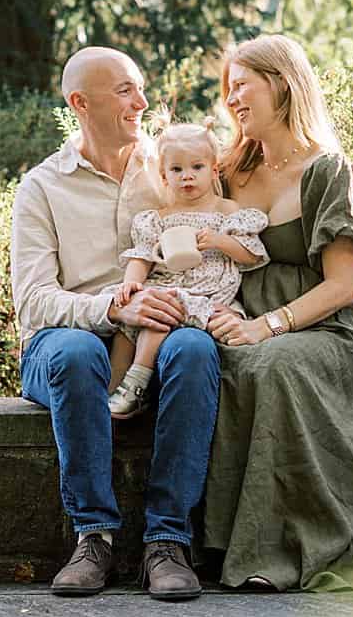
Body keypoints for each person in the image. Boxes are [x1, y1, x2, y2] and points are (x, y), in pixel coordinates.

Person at [203, 33, 353, 590]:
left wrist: (265, 326)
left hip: (332, 331)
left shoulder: (329, 171)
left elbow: (343, 287)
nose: (231, 99)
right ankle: (198, 547)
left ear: (280, 83)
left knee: (271, 365)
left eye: (241, 86)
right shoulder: (229, 170)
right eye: (228, 89)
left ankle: (280, 553)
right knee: (201, 360)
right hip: (240, 319)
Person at [10, 47, 217, 601]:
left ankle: (168, 541)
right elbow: (32, 301)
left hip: (157, 339)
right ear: (81, 103)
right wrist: (110, 308)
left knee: (196, 351)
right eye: (126, 90)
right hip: (62, 348)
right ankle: (93, 537)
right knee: (79, 353)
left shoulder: (170, 170)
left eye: (140, 88)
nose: (142, 103)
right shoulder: (42, 187)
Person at [107, 123, 270, 419]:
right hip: (167, 287)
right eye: (177, 170)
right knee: (127, 331)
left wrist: (220, 241)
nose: (187, 176)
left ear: (214, 171)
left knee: (160, 318)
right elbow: (143, 257)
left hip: (213, 293)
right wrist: (130, 284)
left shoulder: (227, 211)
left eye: (197, 167)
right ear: (164, 176)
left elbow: (252, 254)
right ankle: (111, 395)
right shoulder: (157, 218)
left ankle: (136, 382)